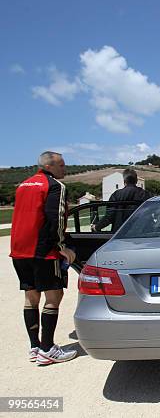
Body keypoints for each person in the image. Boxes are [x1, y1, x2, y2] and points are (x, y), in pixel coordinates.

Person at [10, 151, 78, 365]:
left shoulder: (23, 185)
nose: (65, 168)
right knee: (53, 296)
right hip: (43, 251)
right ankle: (48, 349)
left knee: (30, 297)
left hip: (19, 250)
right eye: (62, 165)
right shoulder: (55, 186)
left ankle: (35, 346)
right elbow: (55, 218)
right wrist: (61, 247)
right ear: (50, 166)